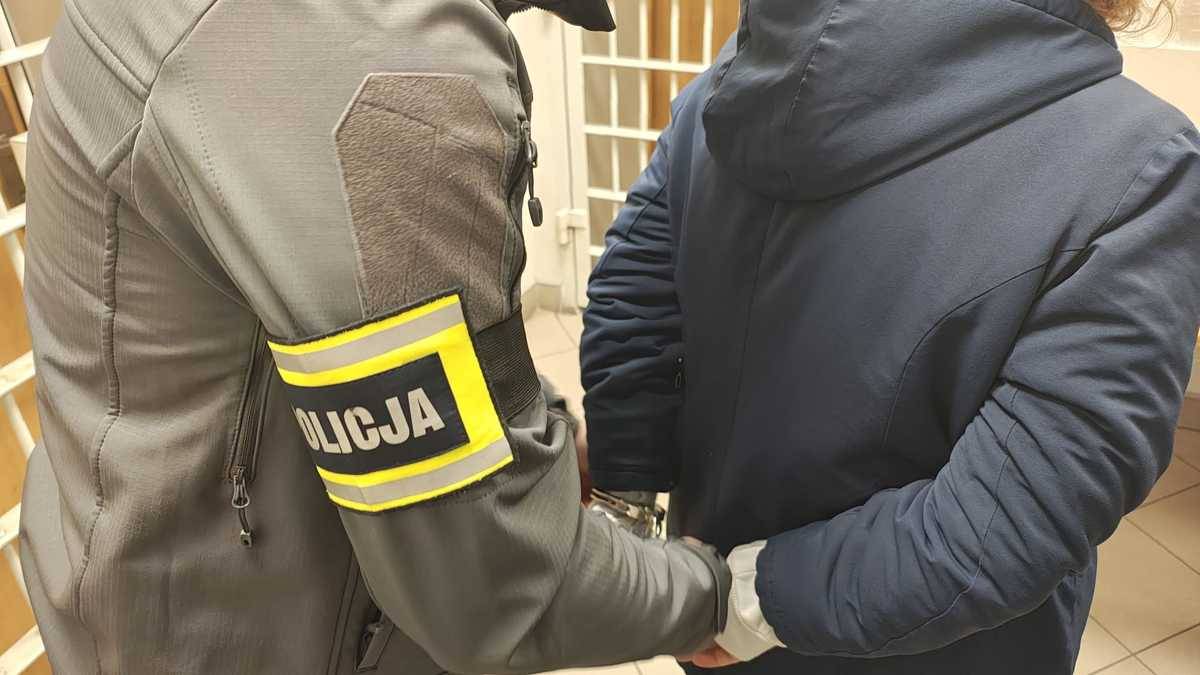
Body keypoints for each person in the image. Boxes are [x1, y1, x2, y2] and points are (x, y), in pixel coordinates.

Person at [18, 1, 730, 673]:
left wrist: (543, 435)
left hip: (162, 569)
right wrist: (714, 598)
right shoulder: (376, 54)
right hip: (243, 637)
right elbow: (493, 584)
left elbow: (379, 320)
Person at [582, 0, 1199, 673]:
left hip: (708, 589)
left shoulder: (738, 79)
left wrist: (628, 503)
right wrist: (745, 606)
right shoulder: (1142, 165)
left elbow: (632, 302)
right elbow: (1026, 506)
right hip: (926, 644)